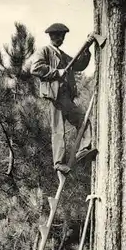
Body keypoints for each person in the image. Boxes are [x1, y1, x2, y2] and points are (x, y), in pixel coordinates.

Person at [31, 23, 97, 174]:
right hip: (55, 98)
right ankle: (59, 163)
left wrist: (87, 47)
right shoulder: (44, 51)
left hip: (67, 98)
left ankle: (84, 150)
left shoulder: (62, 54)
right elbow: (35, 68)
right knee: (58, 130)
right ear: (51, 36)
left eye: (63, 36)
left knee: (83, 120)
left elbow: (79, 65)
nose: (61, 39)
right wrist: (56, 72)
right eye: (58, 36)